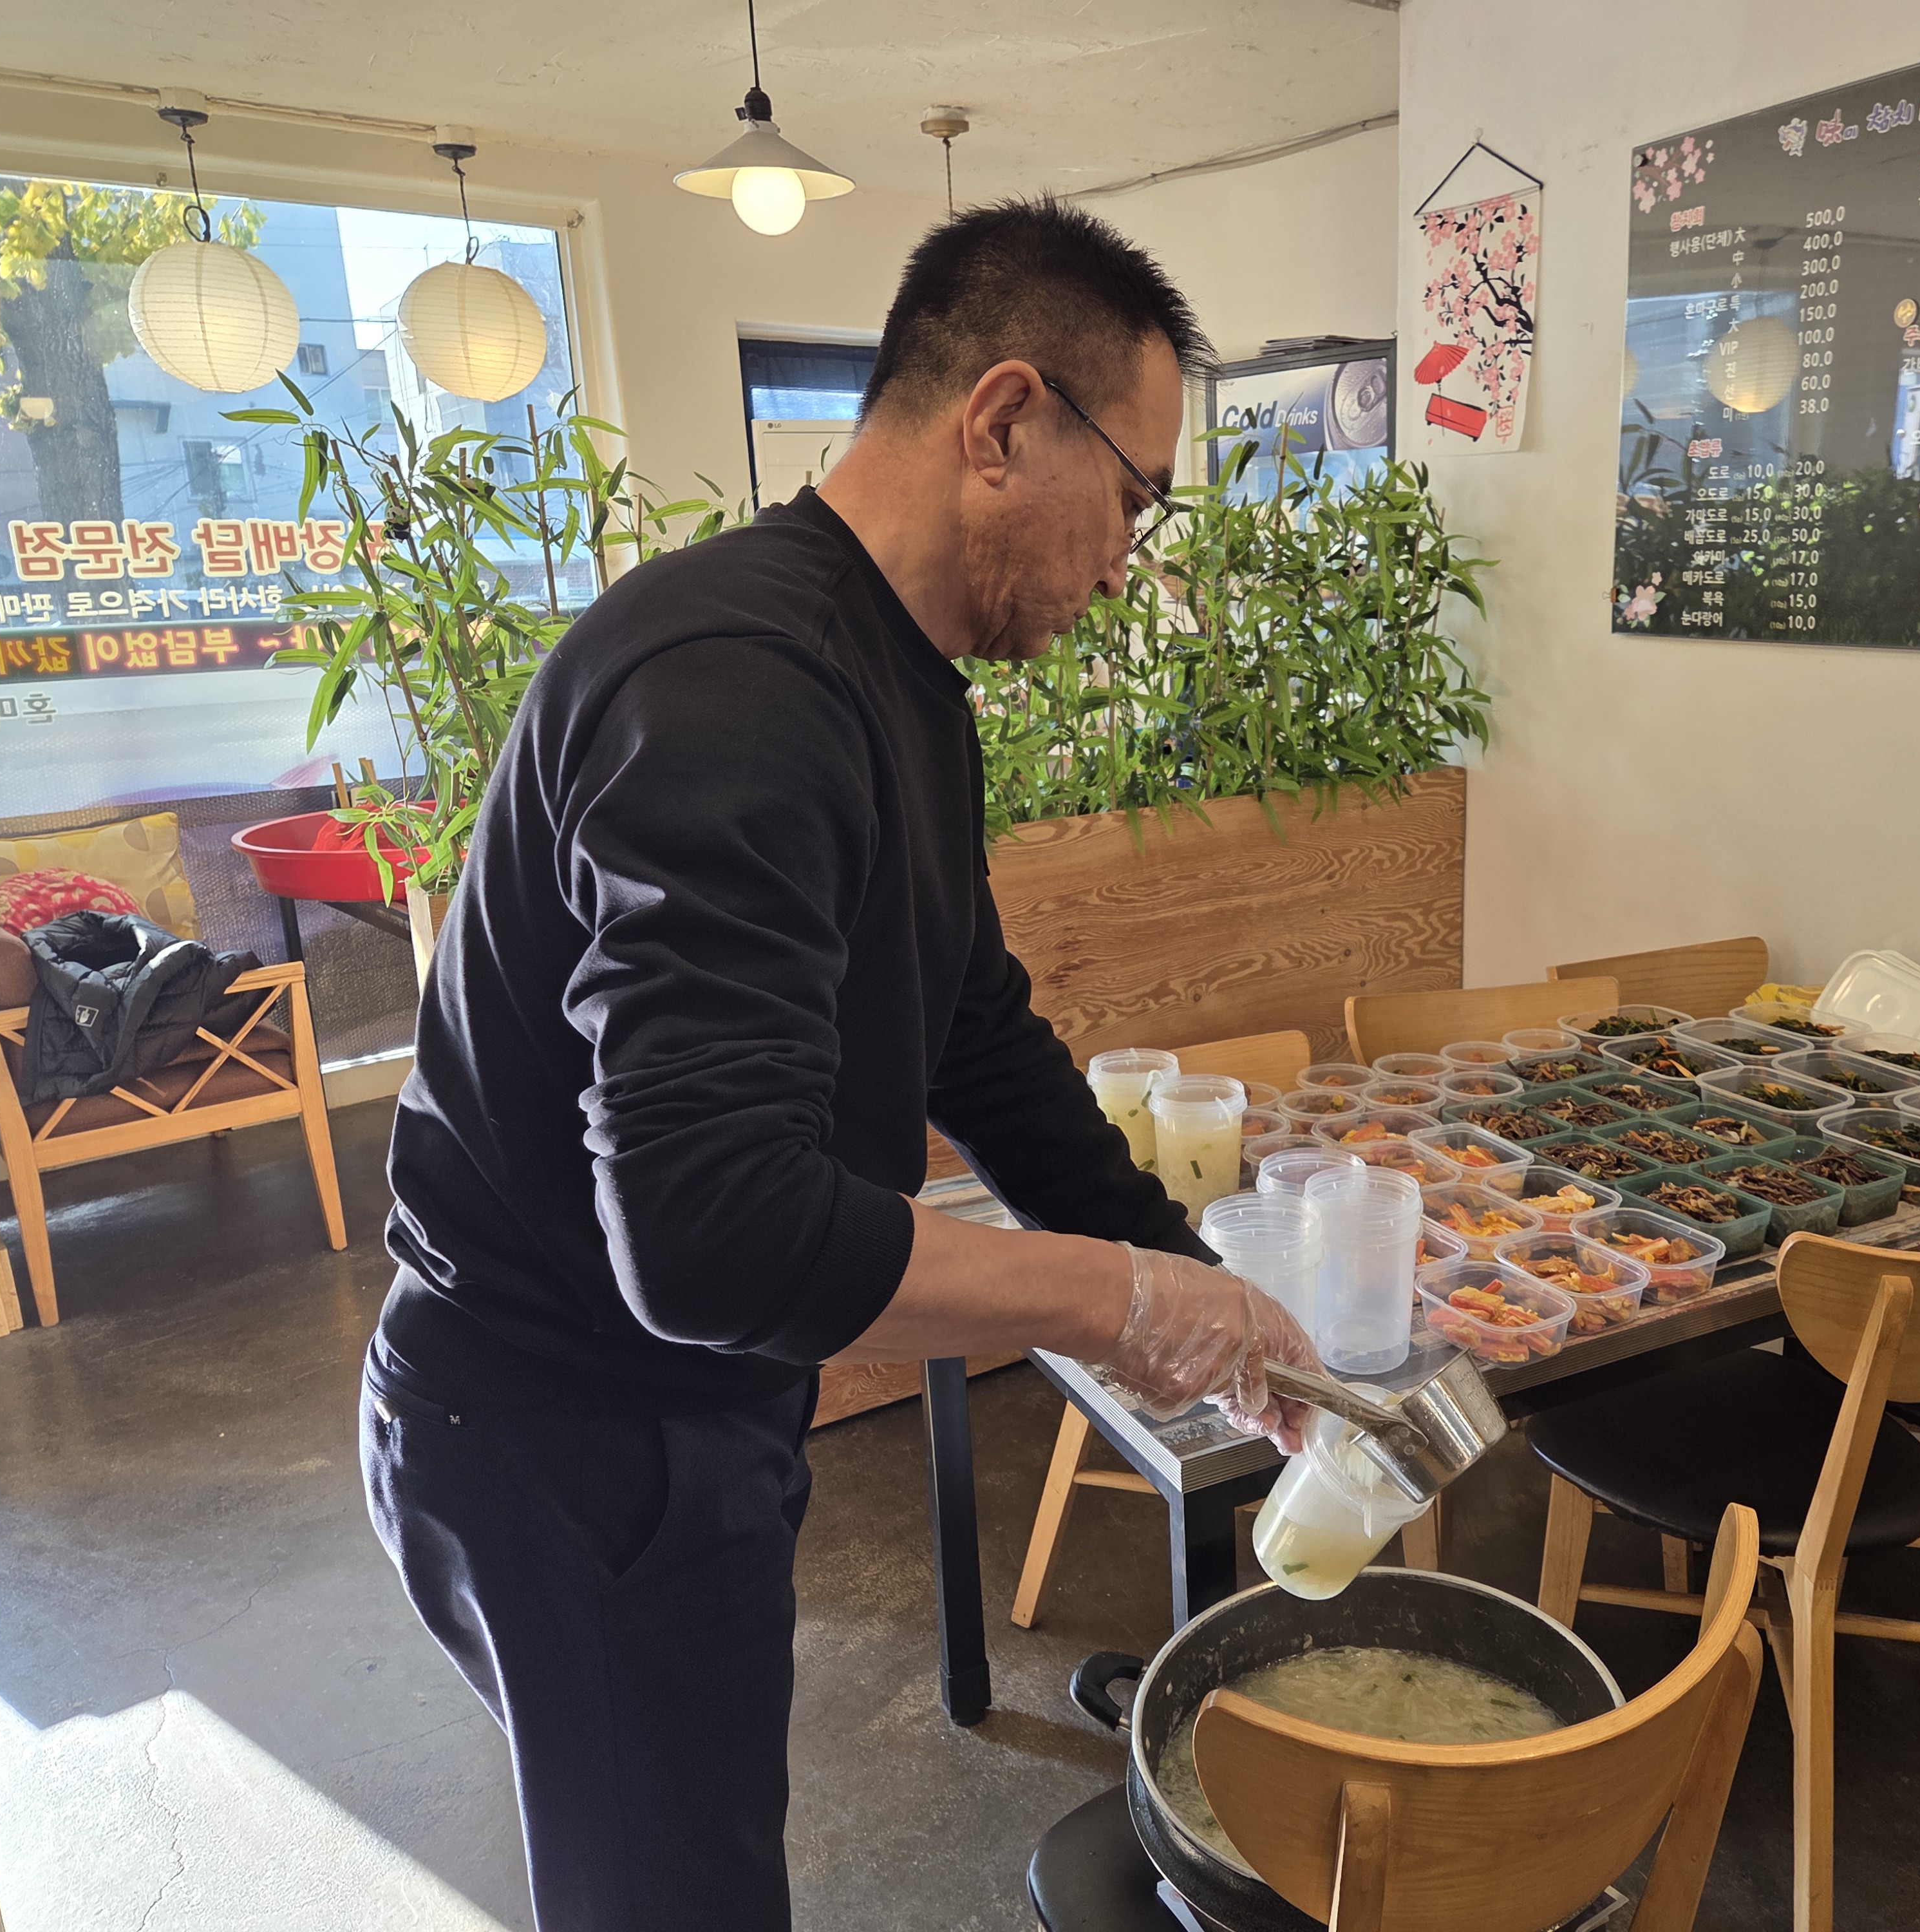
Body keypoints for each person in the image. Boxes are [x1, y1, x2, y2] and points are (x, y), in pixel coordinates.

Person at [361, 197, 1317, 1932]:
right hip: (570, 1430)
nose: (1128, 564)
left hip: (680, 1404)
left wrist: (1193, 1279)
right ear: (1005, 422)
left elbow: (973, 1026)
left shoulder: (891, 679)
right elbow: (710, 1235)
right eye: (1138, 497)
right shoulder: (740, 691)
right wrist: (1113, 1301)